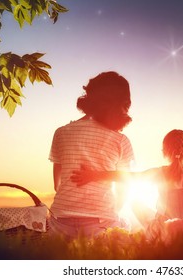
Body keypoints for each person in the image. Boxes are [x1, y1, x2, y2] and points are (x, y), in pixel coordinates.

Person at [48, 71, 135, 240]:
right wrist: (109, 211)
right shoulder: (121, 140)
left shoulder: (61, 132)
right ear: (123, 104)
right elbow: (125, 185)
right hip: (100, 223)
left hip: (60, 221)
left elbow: (56, 184)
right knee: (127, 226)